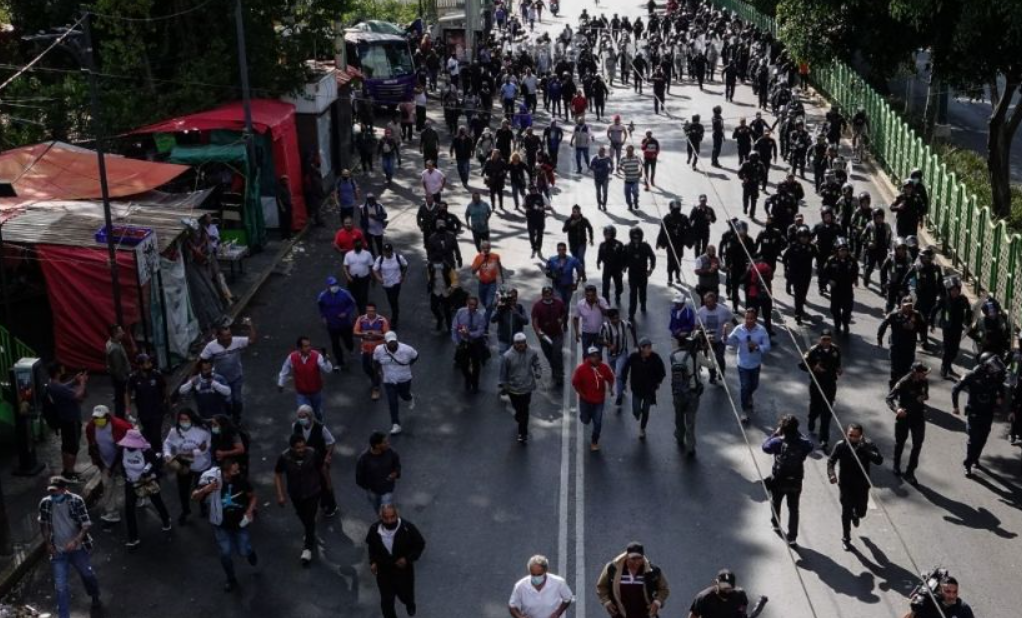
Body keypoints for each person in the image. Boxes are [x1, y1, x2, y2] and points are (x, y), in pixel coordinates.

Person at [38, 476, 101, 617]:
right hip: (58, 550)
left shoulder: (76, 501)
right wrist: (48, 544)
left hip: (77, 549)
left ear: (64, 489)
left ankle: (94, 594)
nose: (53, 495)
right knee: (60, 586)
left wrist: (76, 541)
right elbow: (44, 524)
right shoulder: (45, 503)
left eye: (56, 491)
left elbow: (85, 525)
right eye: (51, 492)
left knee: (87, 574)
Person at [192, 457, 258, 591]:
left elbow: (253, 497)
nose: (237, 472)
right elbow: (194, 497)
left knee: (243, 550)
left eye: (238, 469)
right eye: (234, 471)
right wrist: (206, 490)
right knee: (225, 553)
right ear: (225, 472)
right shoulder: (210, 478)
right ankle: (231, 578)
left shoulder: (241, 480)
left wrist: (250, 511)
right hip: (220, 525)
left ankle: (249, 552)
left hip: (240, 523)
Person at [827, 423, 883, 547]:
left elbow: (879, 460)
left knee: (862, 511)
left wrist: (865, 450)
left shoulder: (868, 444)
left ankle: (856, 515)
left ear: (861, 435)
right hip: (845, 484)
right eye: (850, 435)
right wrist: (831, 474)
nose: (852, 438)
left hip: (861, 485)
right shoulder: (841, 445)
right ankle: (846, 538)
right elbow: (831, 461)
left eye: (855, 436)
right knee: (846, 511)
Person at [366, 504, 426, 618]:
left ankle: (409, 604)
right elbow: (372, 547)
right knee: (386, 601)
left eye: (392, 517)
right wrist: (372, 562)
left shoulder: (407, 528)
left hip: (403, 570)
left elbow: (420, 544)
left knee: (405, 594)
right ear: (381, 517)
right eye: (385, 518)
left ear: (397, 515)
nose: (389, 521)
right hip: (384, 570)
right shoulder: (374, 530)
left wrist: (407, 559)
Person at [762, 414, 814, 546]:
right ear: (796, 428)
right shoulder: (803, 443)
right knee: (794, 508)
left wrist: (775, 434)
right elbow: (810, 445)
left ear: (782, 428)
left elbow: (765, 447)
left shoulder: (777, 442)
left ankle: (776, 523)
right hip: (796, 480)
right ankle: (792, 537)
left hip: (779, 479)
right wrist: (798, 433)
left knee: (776, 502)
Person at [952, 352, 1006, 476]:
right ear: (984, 365)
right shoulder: (971, 375)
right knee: (973, 439)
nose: (994, 368)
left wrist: (1000, 398)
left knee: (983, 439)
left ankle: (976, 458)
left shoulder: (995, 377)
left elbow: (1001, 389)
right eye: (991, 365)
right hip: (974, 412)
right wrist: (955, 406)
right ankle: (968, 464)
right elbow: (956, 389)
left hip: (988, 413)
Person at [117, 428, 172, 548]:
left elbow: (156, 463)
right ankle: (133, 538)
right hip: (131, 483)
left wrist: (146, 472)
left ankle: (166, 519)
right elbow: (120, 463)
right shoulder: (122, 450)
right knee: (129, 510)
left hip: (147, 482)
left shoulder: (146, 451)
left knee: (156, 501)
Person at [274, 434, 322, 565]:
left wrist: (325, 485)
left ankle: (308, 548)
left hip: (313, 491)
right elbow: (277, 474)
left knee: (310, 518)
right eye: (298, 448)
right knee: (303, 516)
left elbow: (321, 468)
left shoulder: (312, 453)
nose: (301, 450)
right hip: (296, 494)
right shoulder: (284, 457)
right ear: (292, 448)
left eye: (303, 446)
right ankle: (309, 532)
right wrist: (280, 494)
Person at [199, 321, 255, 424]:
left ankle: (236, 418)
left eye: (229, 335)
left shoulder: (237, 341)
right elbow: (202, 360)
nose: (228, 338)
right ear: (218, 337)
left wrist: (250, 326)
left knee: (237, 400)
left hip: (236, 377)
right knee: (225, 401)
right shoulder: (211, 347)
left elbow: (251, 340)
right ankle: (226, 419)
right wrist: (194, 376)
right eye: (225, 336)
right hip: (220, 380)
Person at [163, 409, 212, 526]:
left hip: (201, 465)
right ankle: (186, 511)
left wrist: (191, 453)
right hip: (183, 466)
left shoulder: (202, 431)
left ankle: (203, 506)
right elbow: (167, 443)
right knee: (183, 490)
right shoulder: (174, 432)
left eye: (186, 419)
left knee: (201, 487)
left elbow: (206, 447)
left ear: (191, 419)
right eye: (181, 419)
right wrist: (167, 455)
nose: (183, 422)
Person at [85, 405, 132, 525]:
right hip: (105, 461)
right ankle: (112, 512)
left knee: (132, 481)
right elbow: (92, 444)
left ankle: (140, 497)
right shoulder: (91, 427)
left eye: (100, 418)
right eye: (95, 418)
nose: (97, 420)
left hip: (122, 461)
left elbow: (129, 444)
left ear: (107, 416)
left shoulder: (120, 426)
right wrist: (98, 462)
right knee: (107, 485)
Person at [595, 542, 670, 616]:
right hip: (620, 615)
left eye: (639, 558)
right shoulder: (613, 568)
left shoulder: (652, 570)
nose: (637, 562)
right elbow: (601, 586)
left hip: (646, 615)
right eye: (633, 559)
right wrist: (606, 602)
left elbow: (664, 589)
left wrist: (657, 602)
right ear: (627, 556)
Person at [886, 361, 930, 485]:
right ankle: (896, 464)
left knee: (917, 444)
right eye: (922, 373)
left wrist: (924, 397)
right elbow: (889, 398)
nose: (924, 375)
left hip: (918, 417)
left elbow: (926, 395)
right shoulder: (903, 382)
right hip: (904, 417)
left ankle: (910, 472)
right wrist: (897, 409)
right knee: (900, 442)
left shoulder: (924, 381)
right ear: (915, 372)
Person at [671, 331, 713, 457]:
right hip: (693, 392)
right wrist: (710, 350)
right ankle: (690, 446)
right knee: (690, 420)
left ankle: (679, 435)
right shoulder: (696, 355)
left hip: (677, 392)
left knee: (679, 417)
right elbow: (711, 365)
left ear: (679, 342)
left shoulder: (673, 355)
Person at [44, 363, 88, 480]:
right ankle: (70, 472)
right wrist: (82, 382)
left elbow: (64, 388)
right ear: (58, 372)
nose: (65, 371)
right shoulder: (58, 388)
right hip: (71, 420)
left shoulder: (52, 384)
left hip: (64, 419)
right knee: (73, 447)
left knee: (66, 446)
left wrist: (74, 381)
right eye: (62, 369)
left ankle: (66, 470)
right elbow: (78, 396)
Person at [727, 308, 771, 422]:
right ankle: (744, 411)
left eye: (751, 318)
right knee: (744, 386)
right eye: (746, 318)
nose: (748, 320)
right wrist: (724, 336)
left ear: (755, 319)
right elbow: (729, 341)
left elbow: (767, 347)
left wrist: (756, 347)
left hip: (755, 363)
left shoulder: (761, 330)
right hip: (742, 363)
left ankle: (749, 395)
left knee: (754, 385)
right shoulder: (738, 329)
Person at [499, 332, 543, 443]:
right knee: (519, 409)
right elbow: (503, 373)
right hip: (513, 389)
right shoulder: (507, 356)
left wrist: (538, 372)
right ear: (514, 343)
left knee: (525, 409)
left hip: (527, 387)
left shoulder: (531, 352)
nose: (521, 345)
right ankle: (519, 416)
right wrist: (504, 385)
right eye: (518, 343)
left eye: (523, 342)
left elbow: (536, 363)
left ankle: (522, 433)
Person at [803, 330, 843, 449]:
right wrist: (813, 367)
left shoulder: (835, 350)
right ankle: (811, 420)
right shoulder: (813, 351)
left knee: (827, 412)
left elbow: (837, 363)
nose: (826, 342)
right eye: (823, 339)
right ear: (820, 339)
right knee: (815, 407)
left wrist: (839, 369)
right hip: (816, 384)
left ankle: (824, 439)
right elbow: (802, 364)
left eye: (828, 339)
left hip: (830, 384)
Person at [374, 331, 419, 435]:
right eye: (389, 343)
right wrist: (376, 374)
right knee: (392, 401)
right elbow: (375, 362)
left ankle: (410, 397)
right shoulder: (379, 350)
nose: (392, 345)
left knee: (404, 396)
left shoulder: (407, 349)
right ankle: (396, 424)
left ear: (397, 341)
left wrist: (408, 365)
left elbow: (416, 356)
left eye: (393, 342)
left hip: (404, 379)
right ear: (385, 342)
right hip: (389, 380)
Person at [277, 336, 333, 419]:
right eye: (306, 346)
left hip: (316, 392)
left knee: (317, 412)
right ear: (299, 348)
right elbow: (285, 370)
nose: (309, 348)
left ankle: (319, 427)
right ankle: (307, 430)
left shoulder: (317, 356)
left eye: (309, 345)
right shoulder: (292, 357)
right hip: (302, 393)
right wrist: (281, 383)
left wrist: (326, 361)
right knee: (304, 414)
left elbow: (328, 370)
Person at [621, 338, 667, 440]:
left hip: (649, 390)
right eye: (647, 348)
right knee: (636, 410)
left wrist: (658, 381)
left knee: (646, 411)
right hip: (637, 389)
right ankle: (638, 415)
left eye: (650, 348)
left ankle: (642, 428)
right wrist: (623, 381)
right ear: (641, 348)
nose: (649, 350)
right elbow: (625, 368)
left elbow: (662, 370)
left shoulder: (655, 357)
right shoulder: (634, 357)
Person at [572, 346, 616, 451]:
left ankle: (594, 441)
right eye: (592, 356)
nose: (595, 358)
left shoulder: (604, 368)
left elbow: (610, 378)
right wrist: (582, 395)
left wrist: (610, 388)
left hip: (599, 401)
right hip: (585, 400)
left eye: (596, 355)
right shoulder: (581, 370)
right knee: (585, 420)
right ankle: (585, 416)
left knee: (598, 422)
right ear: (588, 357)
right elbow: (575, 383)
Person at [878, 297, 926, 388]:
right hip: (896, 346)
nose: (907, 308)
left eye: (910, 306)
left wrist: (915, 325)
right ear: (901, 305)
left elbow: (923, 329)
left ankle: (902, 389)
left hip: (909, 347)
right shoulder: (894, 315)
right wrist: (879, 337)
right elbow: (884, 324)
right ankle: (892, 389)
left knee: (906, 369)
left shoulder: (916, 315)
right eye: (906, 306)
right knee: (895, 369)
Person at [509, 554, 574, 618]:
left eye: (539, 574)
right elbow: (512, 606)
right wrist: (520, 617)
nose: (536, 577)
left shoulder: (559, 583)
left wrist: (557, 613)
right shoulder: (520, 586)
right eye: (533, 574)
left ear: (545, 571)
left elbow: (567, 598)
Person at [126, 353, 167, 451]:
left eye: (150, 363)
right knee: (148, 433)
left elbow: (165, 389)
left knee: (156, 435)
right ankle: (152, 453)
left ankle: (159, 454)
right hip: (143, 412)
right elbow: (127, 392)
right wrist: (127, 410)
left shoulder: (157, 375)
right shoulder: (134, 378)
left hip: (157, 411)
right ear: (140, 366)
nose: (150, 365)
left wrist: (168, 405)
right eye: (147, 363)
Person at [356, 432, 402, 511]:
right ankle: (383, 520)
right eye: (385, 442)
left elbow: (397, 465)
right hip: (372, 491)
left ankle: (386, 521)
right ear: (377, 445)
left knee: (386, 509)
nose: (388, 443)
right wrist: (368, 487)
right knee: (378, 509)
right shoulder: (364, 459)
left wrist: (396, 473)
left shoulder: (391, 452)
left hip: (387, 489)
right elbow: (359, 477)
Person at [532, 286, 568, 386]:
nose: (547, 296)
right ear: (542, 295)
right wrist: (538, 332)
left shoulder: (559, 303)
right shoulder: (537, 306)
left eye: (549, 294)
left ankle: (559, 375)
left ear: (552, 294)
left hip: (557, 334)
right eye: (545, 294)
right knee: (549, 355)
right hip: (544, 336)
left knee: (557, 353)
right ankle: (554, 369)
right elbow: (535, 321)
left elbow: (563, 313)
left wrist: (561, 320)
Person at [452, 295, 489, 393]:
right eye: (470, 304)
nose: (472, 307)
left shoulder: (480, 317)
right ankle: (468, 378)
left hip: (475, 343)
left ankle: (475, 383)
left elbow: (480, 331)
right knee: (463, 365)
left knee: (476, 365)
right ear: (467, 304)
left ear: (477, 306)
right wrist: (456, 342)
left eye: (474, 305)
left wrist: (470, 334)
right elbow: (455, 327)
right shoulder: (461, 312)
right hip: (463, 342)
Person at [354, 303, 391, 401]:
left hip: (378, 350)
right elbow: (355, 332)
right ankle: (376, 378)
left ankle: (376, 388)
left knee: (376, 368)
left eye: (372, 311)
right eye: (368, 311)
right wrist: (364, 334)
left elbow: (387, 334)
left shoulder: (382, 320)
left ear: (375, 311)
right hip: (365, 348)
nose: (370, 313)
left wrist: (375, 335)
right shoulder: (361, 319)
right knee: (366, 367)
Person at [697, 292, 734, 385]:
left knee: (719, 357)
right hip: (708, 341)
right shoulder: (700, 312)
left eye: (710, 302)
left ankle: (721, 373)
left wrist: (742, 328)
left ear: (715, 301)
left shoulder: (724, 310)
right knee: (711, 360)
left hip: (720, 339)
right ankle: (712, 375)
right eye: (706, 302)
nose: (708, 304)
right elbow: (696, 326)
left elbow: (732, 319)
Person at [373, 244, 409, 330]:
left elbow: (405, 265)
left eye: (389, 251)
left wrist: (402, 276)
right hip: (386, 284)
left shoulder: (398, 258)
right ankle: (395, 313)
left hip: (396, 282)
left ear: (391, 251)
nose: (387, 253)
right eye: (385, 252)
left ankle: (394, 319)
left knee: (393, 300)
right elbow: (374, 269)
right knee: (391, 300)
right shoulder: (380, 259)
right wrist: (378, 278)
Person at [905, 576, 975, 618]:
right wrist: (913, 611)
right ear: (940, 591)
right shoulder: (929, 603)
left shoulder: (963, 610)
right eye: (948, 591)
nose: (952, 595)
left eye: (955, 592)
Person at [624, 227, 656, 321]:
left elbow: (652, 257)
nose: (636, 240)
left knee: (642, 292)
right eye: (634, 238)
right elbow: (623, 258)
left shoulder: (645, 246)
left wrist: (651, 269)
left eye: (638, 238)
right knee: (633, 294)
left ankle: (643, 303)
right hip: (632, 274)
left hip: (643, 273)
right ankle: (631, 313)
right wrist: (624, 266)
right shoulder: (627, 247)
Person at [472, 241, 505, 324]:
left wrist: (501, 277)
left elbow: (499, 265)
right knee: (484, 302)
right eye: (484, 248)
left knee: (488, 304)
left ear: (490, 248)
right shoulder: (478, 258)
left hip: (492, 283)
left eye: (487, 247)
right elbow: (473, 271)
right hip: (482, 283)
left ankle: (485, 325)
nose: (486, 249)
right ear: (481, 249)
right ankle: (491, 308)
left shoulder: (495, 256)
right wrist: (481, 262)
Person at [574, 284, 610, 353]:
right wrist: (577, 332)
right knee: (586, 354)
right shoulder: (580, 304)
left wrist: (599, 305)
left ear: (595, 294)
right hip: (586, 334)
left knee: (598, 354)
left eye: (592, 295)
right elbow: (576, 318)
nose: (590, 298)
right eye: (588, 295)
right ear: (585, 294)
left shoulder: (602, 300)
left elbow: (607, 313)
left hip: (599, 334)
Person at [105, 324, 131, 418]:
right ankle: (120, 418)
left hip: (117, 377)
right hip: (120, 378)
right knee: (120, 400)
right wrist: (124, 379)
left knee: (119, 398)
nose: (123, 333)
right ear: (115, 334)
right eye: (121, 331)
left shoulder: (112, 342)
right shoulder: (115, 349)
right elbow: (118, 369)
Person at [598, 225, 625, 306]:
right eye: (606, 234)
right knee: (605, 285)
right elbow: (600, 254)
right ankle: (605, 301)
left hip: (617, 268)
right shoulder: (602, 244)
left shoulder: (619, 244)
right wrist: (598, 262)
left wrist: (623, 266)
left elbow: (623, 256)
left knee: (619, 285)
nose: (607, 236)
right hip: (607, 268)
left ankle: (618, 294)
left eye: (609, 234)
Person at [620, 145, 643, 209]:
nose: (629, 152)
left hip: (635, 179)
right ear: (626, 151)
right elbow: (619, 166)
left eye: (631, 151)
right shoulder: (623, 158)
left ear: (633, 151)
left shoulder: (637, 157)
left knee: (635, 192)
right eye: (628, 151)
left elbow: (641, 165)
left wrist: (640, 171)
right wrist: (622, 169)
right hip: (627, 180)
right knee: (627, 194)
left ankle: (635, 200)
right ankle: (629, 204)